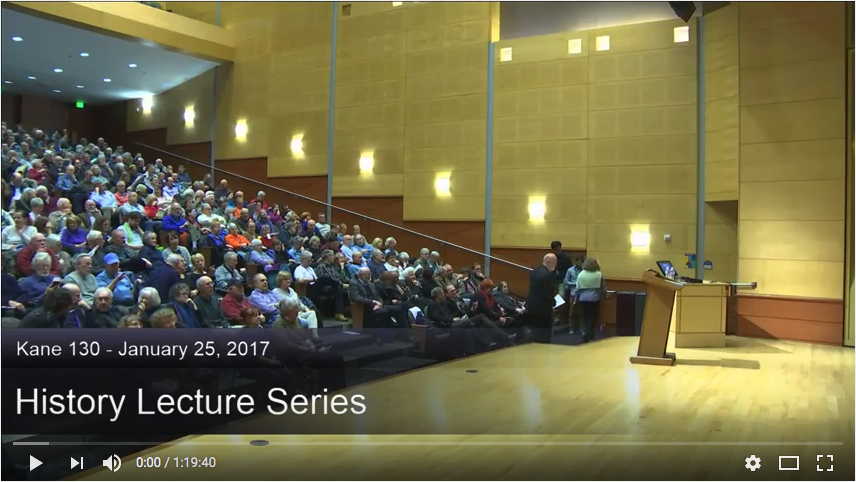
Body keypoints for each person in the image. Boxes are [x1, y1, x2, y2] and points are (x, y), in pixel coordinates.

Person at [272, 270, 319, 336]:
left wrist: (306, 309)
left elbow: (299, 302)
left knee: (312, 313)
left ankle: (315, 336)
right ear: (280, 281)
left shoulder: (291, 290)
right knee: (307, 321)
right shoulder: (275, 292)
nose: (288, 281)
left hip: (299, 313)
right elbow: (278, 306)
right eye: (285, 279)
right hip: (289, 315)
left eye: (289, 279)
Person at [526, 253, 558, 343]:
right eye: (555, 262)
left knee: (535, 332)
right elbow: (547, 293)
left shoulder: (534, 271)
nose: (555, 265)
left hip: (532, 306)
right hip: (543, 309)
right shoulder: (548, 275)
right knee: (544, 335)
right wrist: (554, 302)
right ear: (549, 261)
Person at [575, 257, 604, 343]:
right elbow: (602, 287)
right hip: (594, 298)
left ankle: (584, 334)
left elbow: (577, 288)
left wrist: (576, 298)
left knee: (584, 317)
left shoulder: (581, 274)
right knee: (592, 317)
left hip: (583, 298)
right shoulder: (599, 274)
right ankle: (591, 335)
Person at [563, 256, 583, 334]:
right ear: (576, 262)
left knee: (581, 311)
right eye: (578, 262)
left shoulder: (584, 270)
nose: (580, 263)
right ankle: (571, 328)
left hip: (582, 293)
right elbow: (566, 281)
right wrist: (575, 284)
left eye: (581, 262)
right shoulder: (570, 270)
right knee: (572, 312)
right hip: (573, 294)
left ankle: (581, 328)